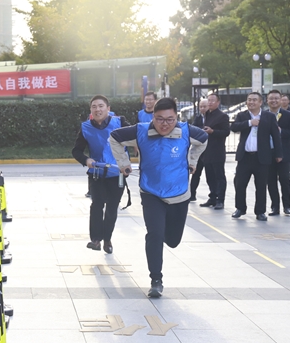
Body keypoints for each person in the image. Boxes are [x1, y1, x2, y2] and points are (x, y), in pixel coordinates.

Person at [109, 98, 208, 298]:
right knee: (154, 234)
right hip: (151, 192)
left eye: (170, 119)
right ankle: (156, 280)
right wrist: (123, 163)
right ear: (152, 117)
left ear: (177, 117)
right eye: (159, 119)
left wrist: (192, 161)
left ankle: (164, 239)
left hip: (179, 194)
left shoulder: (187, 131)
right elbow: (114, 137)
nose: (164, 124)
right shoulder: (140, 131)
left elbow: (204, 139)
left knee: (172, 240)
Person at [72, 95, 129, 254]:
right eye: (94, 107)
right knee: (97, 205)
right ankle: (96, 240)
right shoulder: (86, 128)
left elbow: (135, 137)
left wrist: (135, 151)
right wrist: (86, 160)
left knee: (112, 207)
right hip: (96, 173)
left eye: (101, 106)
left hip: (117, 173)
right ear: (91, 110)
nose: (98, 109)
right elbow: (76, 151)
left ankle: (107, 239)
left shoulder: (120, 123)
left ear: (108, 109)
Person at [230, 92, 282, 221]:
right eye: (249, 100)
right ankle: (240, 208)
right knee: (240, 183)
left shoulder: (269, 116)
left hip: (262, 157)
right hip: (245, 157)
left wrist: (279, 154)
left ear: (260, 102)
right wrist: (249, 123)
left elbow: (276, 136)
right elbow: (234, 127)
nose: (251, 102)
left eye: (254, 100)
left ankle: (260, 211)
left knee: (261, 185)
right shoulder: (242, 115)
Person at [265, 90, 290, 215]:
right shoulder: (264, 115)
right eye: (271, 98)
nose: (274, 101)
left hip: (284, 153)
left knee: (285, 180)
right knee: (271, 181)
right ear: (267, 100)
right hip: (268, 153)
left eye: (276, 98)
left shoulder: (288, 115)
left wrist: (280, 131)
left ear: (280, 100)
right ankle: (275, 207)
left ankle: (287, 206)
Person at [198, 93, 230, 210]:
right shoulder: (207, 114)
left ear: (218, 102)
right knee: (209, 175)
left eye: (212, 100)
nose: (210, 102)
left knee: (219, 176)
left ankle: (220, 199)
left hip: (217, 150)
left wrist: (213, 131)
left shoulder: (222, 116)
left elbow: (226, 132)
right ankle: (212, 197)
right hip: (207, 150)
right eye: (209, 100)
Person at [189, 99, 209, 201]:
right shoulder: (198, 117)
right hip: (198, 151)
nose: (202, 109)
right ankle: (192, 194)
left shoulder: (214, 117)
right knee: (195, 173)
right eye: (201, 107)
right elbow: (194, 129)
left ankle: (214, 197)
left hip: (210, 151)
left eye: (204, 106)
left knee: (211, 175)